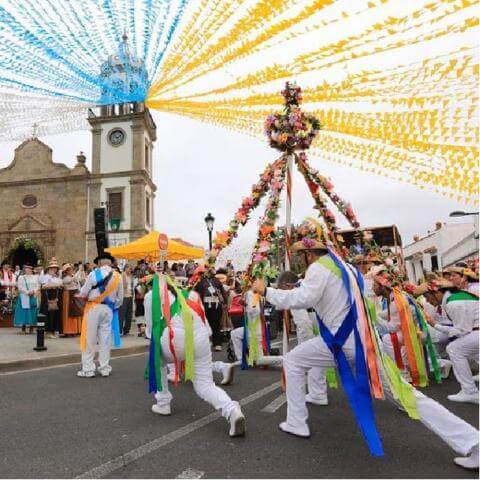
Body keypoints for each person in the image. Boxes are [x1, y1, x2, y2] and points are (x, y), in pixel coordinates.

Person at [252, 222, 479, 470]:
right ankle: (472, 441)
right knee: (404, 393)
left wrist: (267, 292)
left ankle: (297, 421)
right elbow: (322, 294)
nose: (300, 259)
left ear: (309, 252)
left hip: (341, 341)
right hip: (363, 341)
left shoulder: (318, 268)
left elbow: (303, 299)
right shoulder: (346, 267)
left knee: (294, 361)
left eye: (300, 254)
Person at [144, 273, 245, 437]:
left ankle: (163, 402)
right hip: (200, 337)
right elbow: (204, 320)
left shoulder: (151, 296)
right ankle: (232, 410)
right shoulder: (191, 294)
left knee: (158, 361)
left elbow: (151, 328)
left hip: (173, 339)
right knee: (205, 385)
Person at [419, 278, 479, 404]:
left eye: (428, 297)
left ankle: (470, 391)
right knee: (460, 347)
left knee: (454, 349)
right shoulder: (456, 297)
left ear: (437, 293)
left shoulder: (453, 303)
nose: (428, 301)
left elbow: (462, 331)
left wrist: (436, 326)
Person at [276, 271, 329, 405]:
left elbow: (303, 323)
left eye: (281, 289)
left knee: (297, 360)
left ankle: (303, 393)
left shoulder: (295, 294)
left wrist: (304, 344)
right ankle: (318, 393)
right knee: (318, 361)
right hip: (324, 322)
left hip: (312, 325)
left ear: (287, 285)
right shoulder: (307, 286)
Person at [76, 252, 123, 378]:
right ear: (110, 262)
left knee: (89, 338)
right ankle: (104, 368)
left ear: (100, 263)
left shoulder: (93, 274)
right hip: (108, 309)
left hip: (93, 307)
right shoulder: (118, 276)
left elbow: (84, 292)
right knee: (105, 339)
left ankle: (88, 369)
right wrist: (112, 305)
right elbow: (120, 299)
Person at [195, 266, 228, 351]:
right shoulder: (211, 281)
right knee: (211, 324)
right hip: (211, 305)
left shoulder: (207, 281)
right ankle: (213, 343)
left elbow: (222, 291)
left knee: (211, 324)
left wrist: (225, 302)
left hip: (210, 305)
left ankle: (213, 343)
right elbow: (223, 293)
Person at [40, 258, 63, 339]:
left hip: (55, 297)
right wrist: (55, 285)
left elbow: (61, 285)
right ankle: (48, 331)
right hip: (48, 297)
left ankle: (53, 330)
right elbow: (43, 286)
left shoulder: (56, 277)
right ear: (49, 269)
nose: (54, 269)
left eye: (56, 268)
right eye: (53, 268)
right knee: (48, 314)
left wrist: (57, 285)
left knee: (54, 314)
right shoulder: (46, 277)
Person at [13, 264, 39, 334]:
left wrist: (33, 291)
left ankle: (31, 327)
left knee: (33, 311)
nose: (27, 270)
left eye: (29, 269)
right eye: (26, 269)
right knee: (24, 312)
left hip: (33, 296)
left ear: (31, 270)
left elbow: (37, 285)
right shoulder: (21, 277)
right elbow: (19, 286)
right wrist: (27, 292)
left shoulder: (35, 277)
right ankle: (23, 328)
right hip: (24, 296)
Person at [61, 264, 82, 336]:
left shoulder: (72, 277)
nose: (71, 271)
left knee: (76, 311)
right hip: (68, 295)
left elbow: (77, 284)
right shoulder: (65, 278)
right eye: (69, 270)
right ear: (66, 271)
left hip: (74, 294)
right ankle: (68, 330)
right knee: (69, 312)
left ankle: (75, 330)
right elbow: (68, 281)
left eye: (71, 269)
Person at [119, 264, 134, 335]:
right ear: (125, 268)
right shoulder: (121, 276)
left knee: (129, 314)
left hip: (130, 296)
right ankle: (120, 330)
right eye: (129, 268)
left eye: (130, 269)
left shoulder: (131, 276)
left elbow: (132, 286)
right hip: (124, 296)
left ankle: (127, 330)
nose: (130, 270)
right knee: (122, 314)